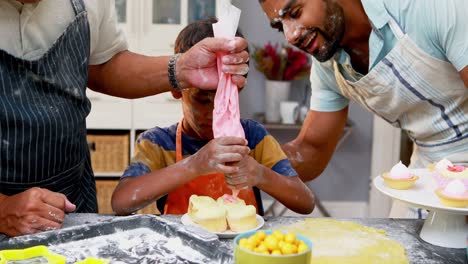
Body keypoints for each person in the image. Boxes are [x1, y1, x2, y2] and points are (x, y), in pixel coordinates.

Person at [0, 0, 250, 237]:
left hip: (69, 197)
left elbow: (103, 65)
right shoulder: (156, 143)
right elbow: (124, 200)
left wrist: (181, 68)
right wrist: (3, 210)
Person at [258, 0, 468, 218]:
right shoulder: (328, 70)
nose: (290, 35)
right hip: (429, 166)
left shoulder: (425, 8)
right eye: (279, 26)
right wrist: (254, 158)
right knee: (403, 249)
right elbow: (312, 150)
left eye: (295, 13)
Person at [111, 18, 315, 216]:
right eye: (202, 99)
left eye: (225, 101)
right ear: (176, 90)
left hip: (239, 246)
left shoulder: (252, 137)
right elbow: (121, 202)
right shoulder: (158, 143)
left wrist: (261, 174)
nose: (214, 114)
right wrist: (194, 165)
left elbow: (305, 202)